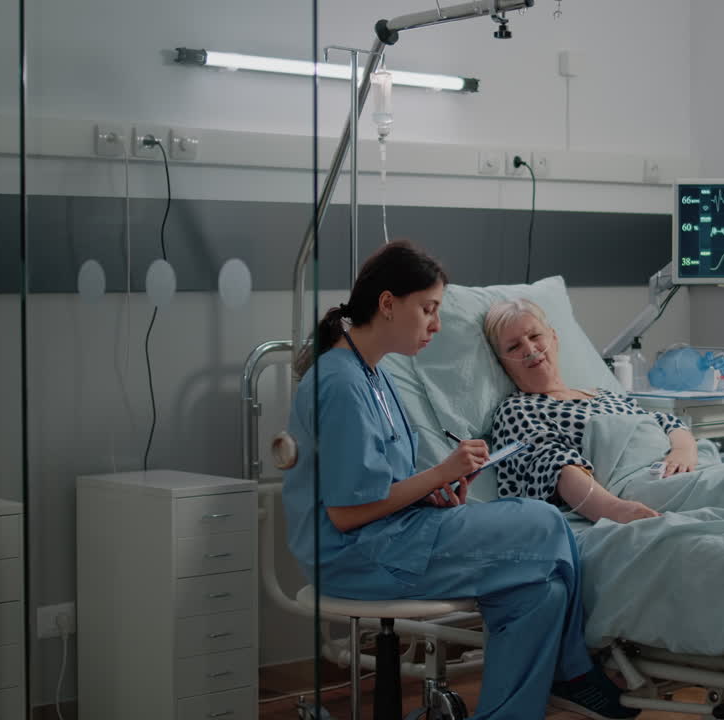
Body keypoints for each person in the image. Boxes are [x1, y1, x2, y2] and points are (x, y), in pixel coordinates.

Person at [283, 242, 638, 720]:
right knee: (542, 521)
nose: (436, 324)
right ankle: (574, 673)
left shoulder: (374, 375)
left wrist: (433, 494)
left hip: (391, 536)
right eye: (427, 309)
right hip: (355, 556)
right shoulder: (340, 383)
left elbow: (385, 483)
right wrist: (441, 472)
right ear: (388, 304)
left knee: (539, 596)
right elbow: (346, 513)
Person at [484, 297, 697, 523]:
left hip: (681, 469)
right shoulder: (519, 409)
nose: (529, 349)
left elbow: (664, 421)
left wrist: (683, 451)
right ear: (502, 362)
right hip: (637, 486)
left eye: (535, 336)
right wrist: (617, 511)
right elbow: (553, 465)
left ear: (554, 338)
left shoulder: (604, 394)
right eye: (514, 346)